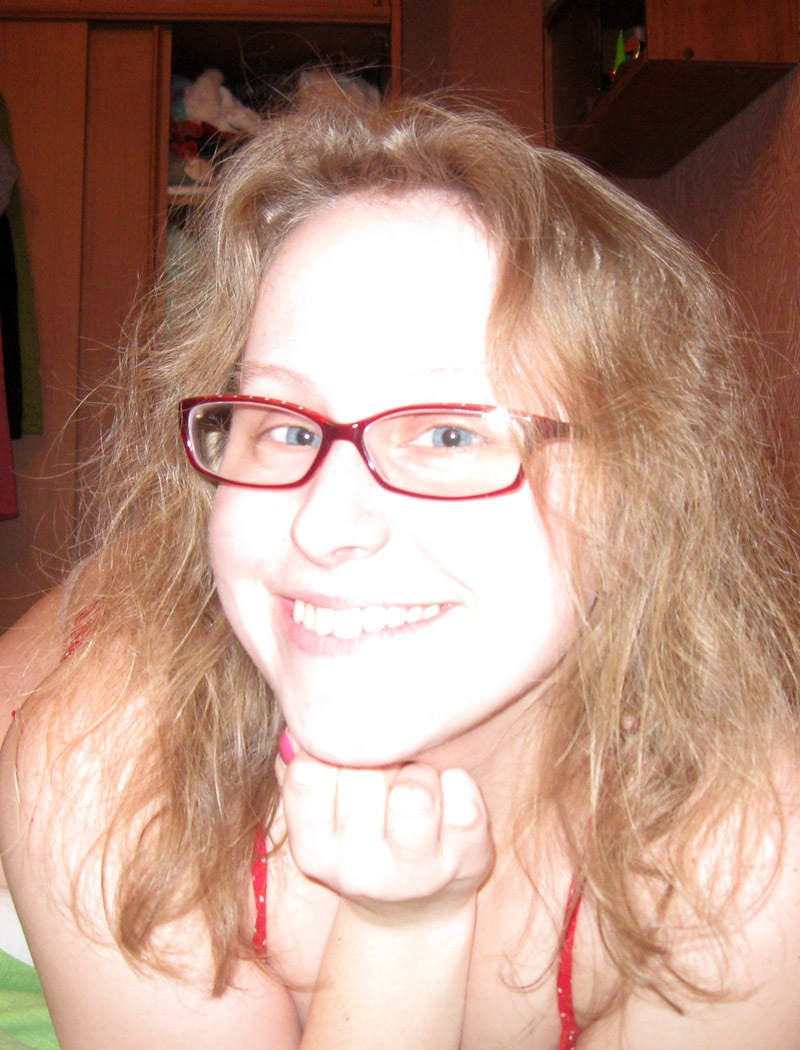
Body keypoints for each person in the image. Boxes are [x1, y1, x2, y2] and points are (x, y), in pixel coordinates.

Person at [1, 92, 799, 1049]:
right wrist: (400, 936)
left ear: (641, 495)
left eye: (451, 433)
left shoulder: (750, 857)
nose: (324, 524)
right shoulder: (98, 771)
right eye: (284, 426)